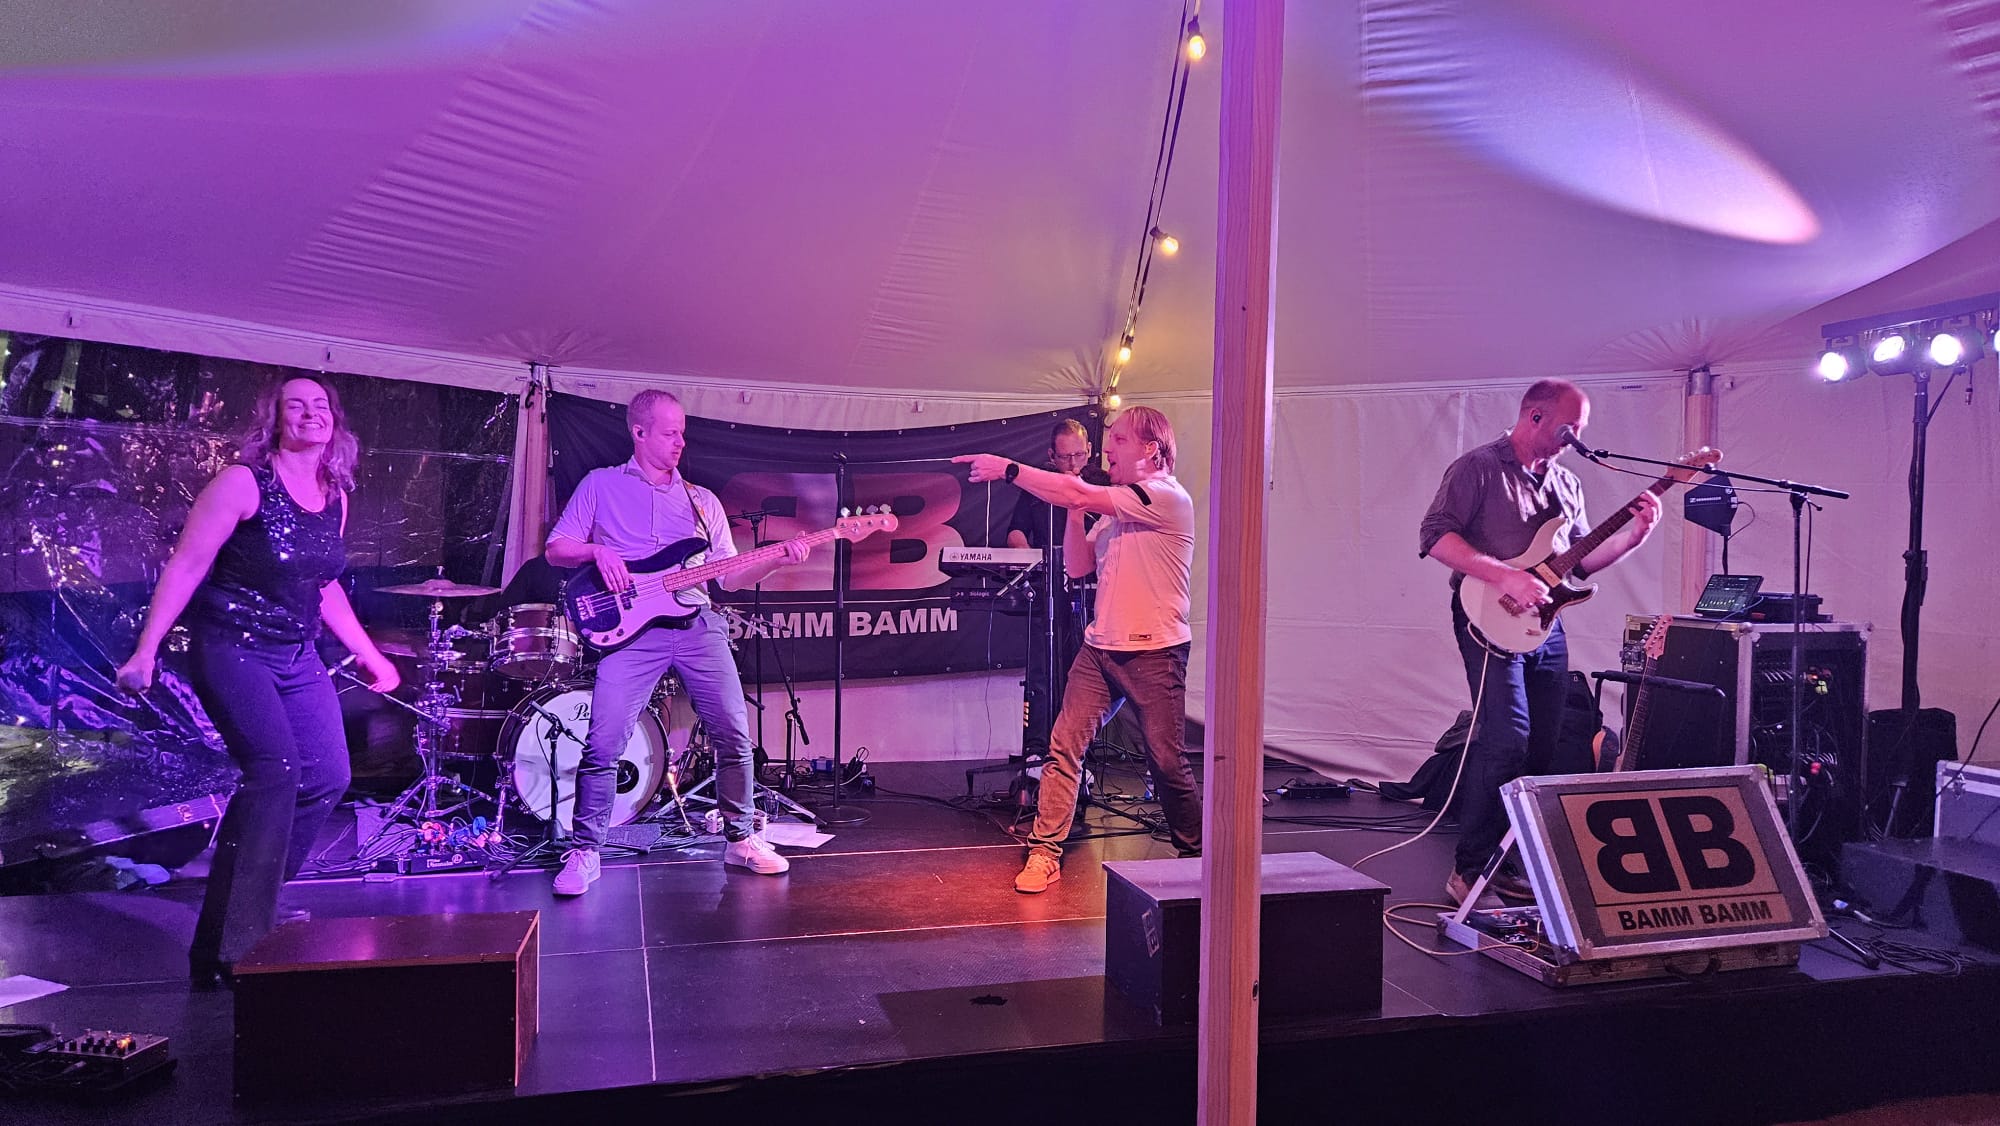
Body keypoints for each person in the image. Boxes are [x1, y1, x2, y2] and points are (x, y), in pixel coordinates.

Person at [116, 374, 400, 987]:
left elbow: (322, 585)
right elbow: (187, 565)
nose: (311, 414)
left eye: (321, 405)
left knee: (328, 775)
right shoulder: (243, 483)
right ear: (275, 419)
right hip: (233, 648)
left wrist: (370, 654)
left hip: (297, 654)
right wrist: (147, 649)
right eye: (296, 405)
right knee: (275, 772)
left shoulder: (334, 494)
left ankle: (249, 908)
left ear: (334, 421)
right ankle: (229, 948)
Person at [543, 389, 811, 895]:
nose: (680, 442)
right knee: (604, 743)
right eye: (669, 433)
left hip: (697, 625)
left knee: (734, 735)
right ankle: (585, 851)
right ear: (639, 432)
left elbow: (729, 576)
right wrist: (597, 552)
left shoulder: (702, 501)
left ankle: (740, 839)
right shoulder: (601, 484)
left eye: (682, 432)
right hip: (630, 632)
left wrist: (777, 558)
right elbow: (556, 549)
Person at [1418, 378, 1659, 906]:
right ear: (1534, 417)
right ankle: (1468, 870)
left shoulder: (1566, 484)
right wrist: (1505, 575)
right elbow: (1435, 537)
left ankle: (1504, 862)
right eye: (1570, 428)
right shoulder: (1477, 468)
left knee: (1544, 747)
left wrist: (1634, 537)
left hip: (1546, 625)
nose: (1577, 438)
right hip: (1487, 616)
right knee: (1506, 738)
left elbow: (1579, 563)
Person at [955, 405, 1202, 893]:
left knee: (1166, 761)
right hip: (1100, 650)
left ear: (1152, 449)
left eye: (1119, 440)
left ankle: (1197, 854)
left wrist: (1007, 468)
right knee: (1064, 746)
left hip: (1154, 653)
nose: (1108, 450)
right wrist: (1073, 512)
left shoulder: (1164, 496)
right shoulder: (1112, 513)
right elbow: (1078, 567)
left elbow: (1078, 491)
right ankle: (1044, 852)